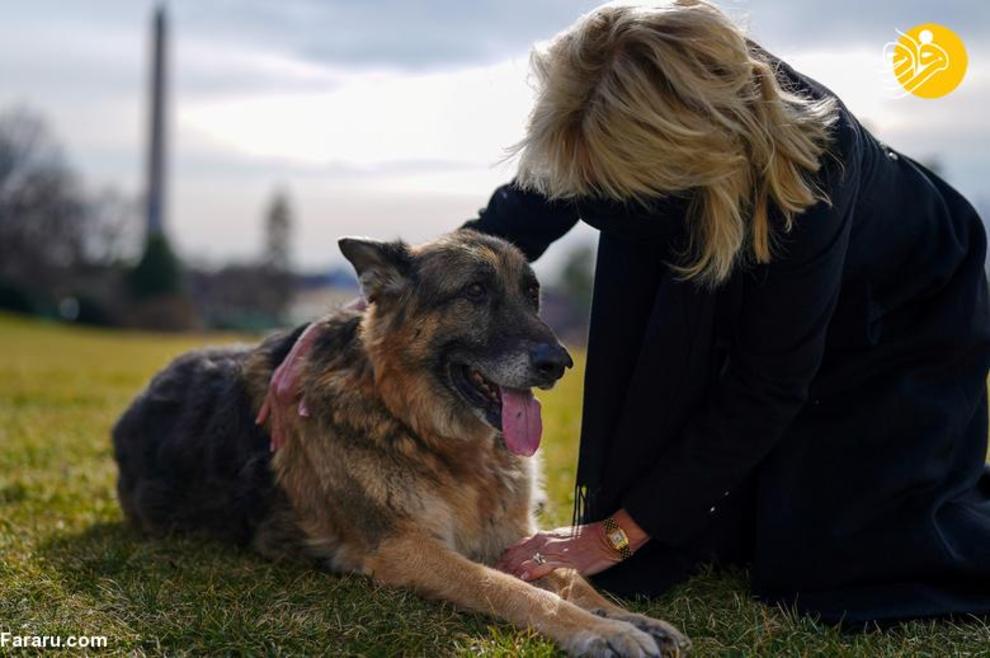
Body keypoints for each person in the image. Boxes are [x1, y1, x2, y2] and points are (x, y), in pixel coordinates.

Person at [258, 0, 990, 626]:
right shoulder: (598, 99)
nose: (585, 187)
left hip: (899, 299)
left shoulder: (811, 174)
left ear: (678, 155)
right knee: (703, 536)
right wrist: (343, 322)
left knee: (838, 564)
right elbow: (495, 235)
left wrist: (612, 536)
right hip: (727, 239)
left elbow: (769, 382)